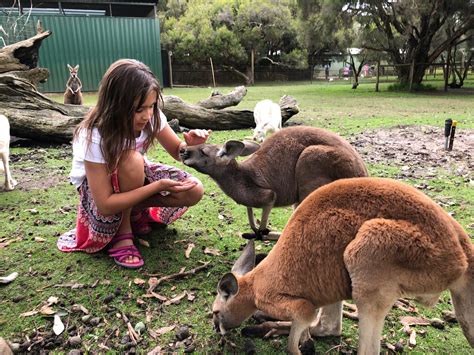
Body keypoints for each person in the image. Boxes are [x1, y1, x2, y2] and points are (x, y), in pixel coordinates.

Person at [57, 59, 211, 269]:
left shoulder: (152, 116)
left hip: (132, 176)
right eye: (139, 109)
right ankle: (123, 233)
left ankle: (133, 211)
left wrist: (191, 146)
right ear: (116, 105)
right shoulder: (94, 134)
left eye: (151, 106)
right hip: (97, 194)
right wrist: (156, 187)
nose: (147, 116)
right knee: (131, 159)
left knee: (194, 190)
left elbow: (177, 151)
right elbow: (104, 203)